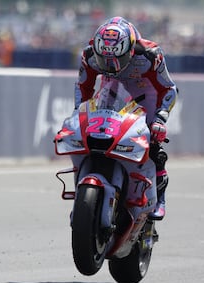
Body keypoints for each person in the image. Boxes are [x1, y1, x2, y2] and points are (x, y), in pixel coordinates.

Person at [74, 16, 178, 220]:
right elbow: (82, 85)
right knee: (91, 137)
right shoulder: (89, 55)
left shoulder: (150, 55)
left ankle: (159, 198)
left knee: (153, 146)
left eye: (117, 59)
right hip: (110, 92)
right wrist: (79, 111)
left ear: (130, 49)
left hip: (144, 97)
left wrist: (159, 119)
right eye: (104, 60)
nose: (110, 65)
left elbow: (169, 88)